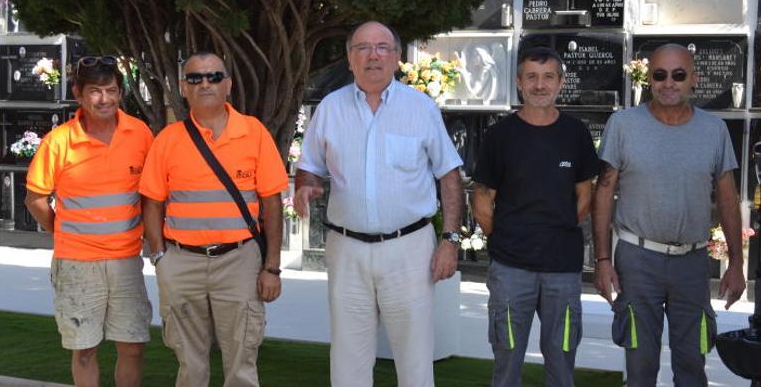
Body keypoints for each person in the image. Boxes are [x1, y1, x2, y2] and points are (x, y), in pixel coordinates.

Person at [294, 21, 464, 387]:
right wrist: (305, 187)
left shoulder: (421, 108)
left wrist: (450, 239)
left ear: (397, 57)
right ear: (349, 58)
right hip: (347, 250)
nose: (373, 55)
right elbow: (308, 168)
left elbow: (449, 175)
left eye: (383, 47)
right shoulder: (330, 108)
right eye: (363, 48)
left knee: (415, 359)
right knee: (347, 360)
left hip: (409, 250)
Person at [592, 43, 746, 386]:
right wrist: (602, 260)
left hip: (691, 263)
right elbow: (603, 191)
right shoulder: (623, 124)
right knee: (640, 366)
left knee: (692, 365)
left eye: (678, 75)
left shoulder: (714, 130)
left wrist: (736, 263)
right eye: (659, 75)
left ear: (694, 79)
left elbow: (727, 199)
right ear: (649, 78)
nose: (669, 82)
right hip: (636, 259)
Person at [140, 52, 286, 387]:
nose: (205, 83)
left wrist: (272, 267)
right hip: (181, 262)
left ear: (229, 84)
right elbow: (152, 202)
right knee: (189, 364)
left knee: (242, 362)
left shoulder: (254, 133)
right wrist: (160, 257)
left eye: (214, 76)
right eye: (195, 78)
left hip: (239, 261)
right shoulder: (168, 140)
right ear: (184, 88)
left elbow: (272, 202)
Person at [472, 46, 599, 387]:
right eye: (531, 77)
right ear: (519, 83)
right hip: (511, 269)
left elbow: (585, 196)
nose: (539, 85)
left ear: (560, 82)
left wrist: (558, 232)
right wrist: (505, 239)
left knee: (561, 362)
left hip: (563, 269)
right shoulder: (500, 136)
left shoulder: (576, 134)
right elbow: (482, 200)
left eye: (547, 77)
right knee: (507, 361)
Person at [25, 55, 154, 387]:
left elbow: (151, 194)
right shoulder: (58, 142)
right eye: (95, 91)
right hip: (77, 264)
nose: (104, 99)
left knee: (133, 346)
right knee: (84, 350)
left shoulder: (140, 134)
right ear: (78, 93)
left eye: (111, 90)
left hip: (126, 261)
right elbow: (35, 199)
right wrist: (64, 232)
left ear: (120, 93)